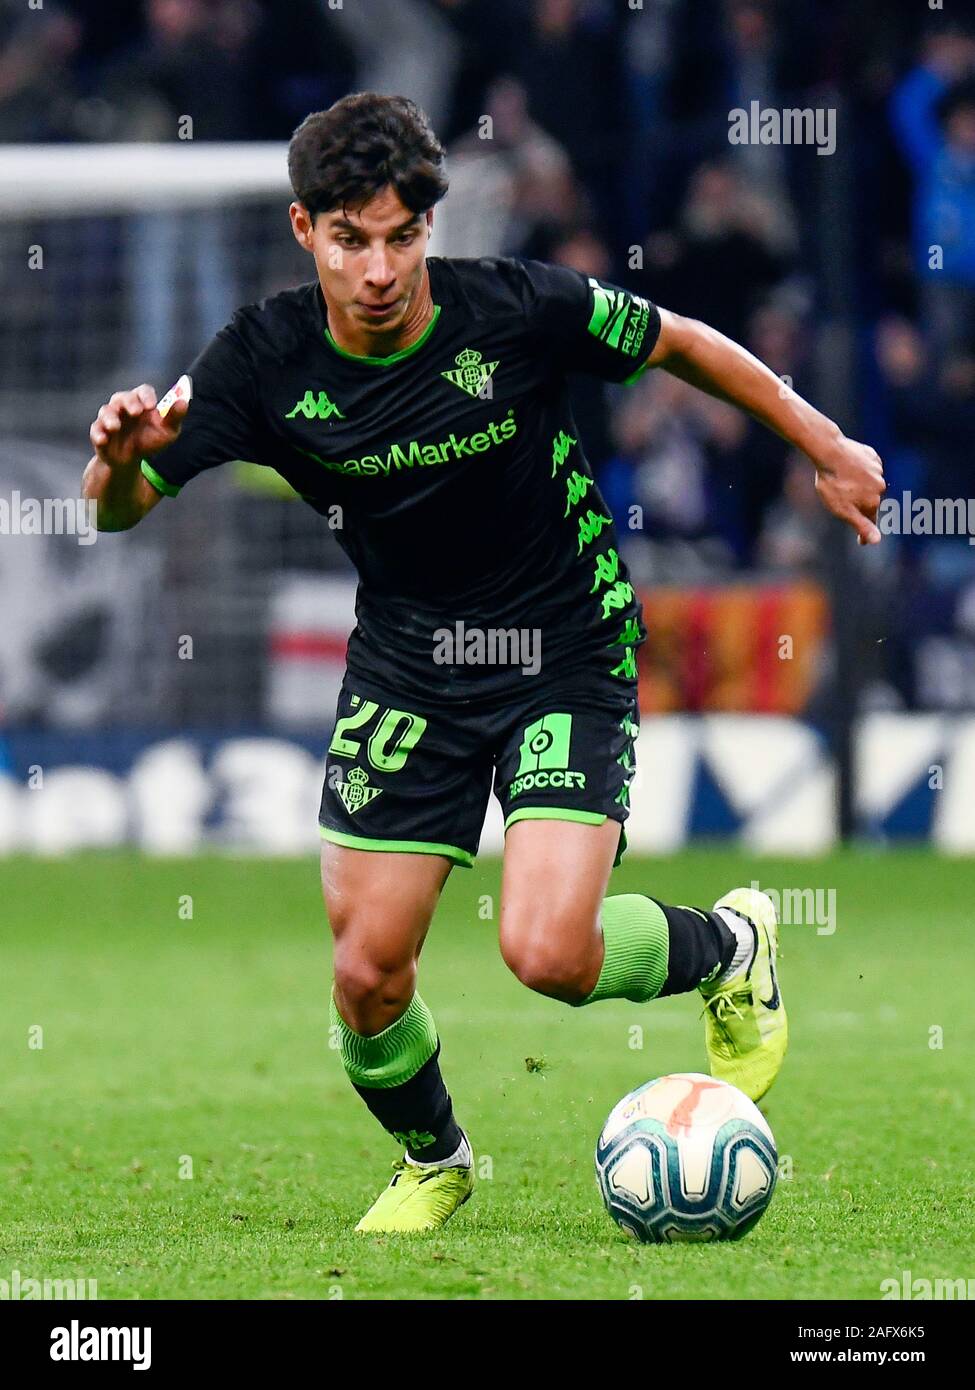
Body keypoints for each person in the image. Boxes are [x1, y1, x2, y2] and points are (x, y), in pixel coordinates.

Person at [82, 92, 885, 1233]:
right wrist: (115, 463)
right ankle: (436, 1158)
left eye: (402, 236)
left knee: (547, 951)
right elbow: (118, 511)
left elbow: (683, 343)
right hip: (409, 666)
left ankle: (732, 942)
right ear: (306, 229)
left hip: (564, 645)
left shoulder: (510, 310)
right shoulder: (260, 360)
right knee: (365, 974)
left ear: (430, 229)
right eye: (351, 239)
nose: (378, 268)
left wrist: (827, 441)